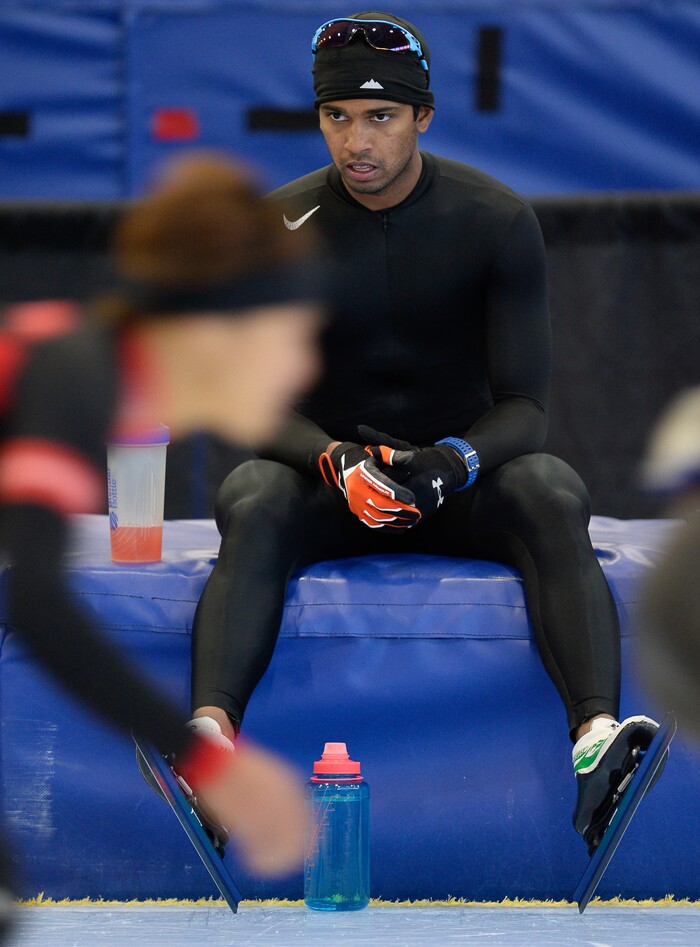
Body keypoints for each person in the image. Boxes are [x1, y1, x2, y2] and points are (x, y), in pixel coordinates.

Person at [190, 11, 662, 858]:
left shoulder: (496, 219)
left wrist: (451, 465)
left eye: (381, 118)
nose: (356, 141)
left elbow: (525, 406)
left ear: (424, 119)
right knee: (250, 492)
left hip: (455, 484)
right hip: (331, 487)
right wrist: (332, 461)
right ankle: (211, 740)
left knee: (553, 486)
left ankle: (595, 736)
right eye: (337, 117)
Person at [0, 152, 325, 927]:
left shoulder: (82, 368)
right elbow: (41, 604)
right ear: (219, 330)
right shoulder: (75, 372)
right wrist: (212, 760)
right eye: (297, 337)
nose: (307, 367)